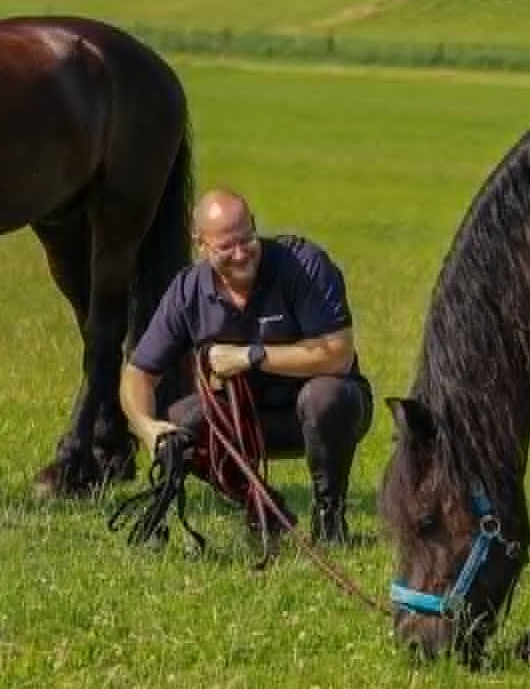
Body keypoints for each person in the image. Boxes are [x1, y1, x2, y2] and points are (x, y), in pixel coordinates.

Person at [120, 188, 372, 544]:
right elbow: (137, 375)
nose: (240, 254)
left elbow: (338, 354)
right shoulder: (187, 292)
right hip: (243, 424)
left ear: (254, 225)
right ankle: (263, 508)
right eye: (226, 247)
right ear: (200, 245)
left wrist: (250, 356)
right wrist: (148, 429)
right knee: (183, 424)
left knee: (327, 395)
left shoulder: (304, 265)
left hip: (320, 416)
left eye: (246, 239)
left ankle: (329, 518)